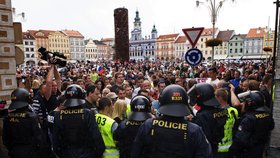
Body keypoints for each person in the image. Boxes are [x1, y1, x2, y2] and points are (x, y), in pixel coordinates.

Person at [131, 85, 212, 158]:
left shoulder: (148, 125)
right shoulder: (194, 130)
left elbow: (136, 152)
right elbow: (205, 154)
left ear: (161, 102)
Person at [52, 84, 105, 158]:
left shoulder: (59, 115)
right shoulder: (87, 114)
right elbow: (97, 138)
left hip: (67, 154)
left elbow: (55, 142)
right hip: (87, 154)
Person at [229, 91, 274, 158]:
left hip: (246, 152)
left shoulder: (249, 119)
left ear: (250, 104)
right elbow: (271, 126)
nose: (243, 104)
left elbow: (240, 139)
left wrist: (232, 150)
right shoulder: (267, 113)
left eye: (245, 102)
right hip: (260, 149)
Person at [188, 83, 227, 157]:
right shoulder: (222, 111)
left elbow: (199, 138)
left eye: (197, 95)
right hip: (220, 149)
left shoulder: (202, 116)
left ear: (202, 97)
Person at [3, 88, 44, 158]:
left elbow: (6, 140)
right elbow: (39, 138)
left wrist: (13, 150)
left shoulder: (7, 118)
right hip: (31, 152)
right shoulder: (32, 117)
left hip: (15, 152)